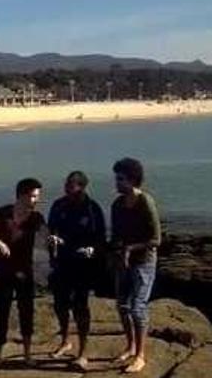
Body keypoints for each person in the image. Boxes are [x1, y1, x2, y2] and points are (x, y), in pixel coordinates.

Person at [0, 178, 47, 369]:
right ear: (22, 195)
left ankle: (27, 355)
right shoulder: (4, 212)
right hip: (3, 272)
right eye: (34, 196)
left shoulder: (36, 218)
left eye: (37, 197)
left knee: (26, 312)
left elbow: (46, 234)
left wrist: (53, 239)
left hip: (25, 273)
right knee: (1, 313)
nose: (36, 200)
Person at [47, 171, 106, 370]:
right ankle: (65, 340)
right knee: (60, 305)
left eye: (71, 185)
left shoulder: (92, 209)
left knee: (81, 306)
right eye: (66, 184)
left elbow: (101, 238)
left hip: (83, 265)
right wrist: (53, 241)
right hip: (61, 262)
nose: (67, 189)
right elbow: (51, 230)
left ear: (82, 187)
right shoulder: (58, 205)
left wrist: (92, 249)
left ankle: (83, 352)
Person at [111, 158, 162, 374]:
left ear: (132, 180)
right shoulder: (117, 205)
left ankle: (140, 356)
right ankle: (130, 346)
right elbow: (115, 235)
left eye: (120, 179)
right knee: (122, 305)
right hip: (123, 261)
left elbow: (156, 239)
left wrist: (131, 249)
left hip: (143, 262)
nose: (116, 182)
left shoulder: (145, 202)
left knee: (137, 307)